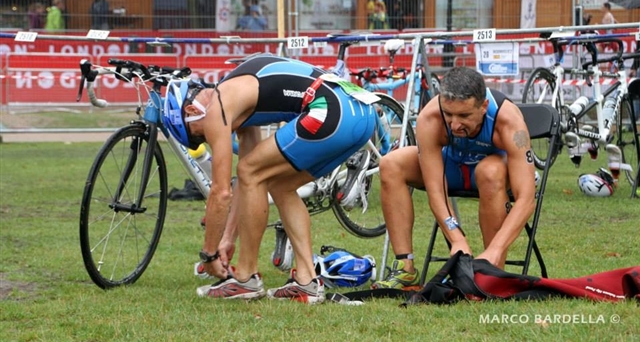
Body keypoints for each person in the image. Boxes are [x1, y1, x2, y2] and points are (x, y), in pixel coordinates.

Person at [162, 54, 377, 303]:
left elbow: (221, 192)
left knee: (250, 170)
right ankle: (306, 282)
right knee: (278, 184)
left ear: (191, 111)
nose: (208, 138)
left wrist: (208, 254)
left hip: (332, 109)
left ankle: (245, 278)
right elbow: (246, 183)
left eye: (198, 136)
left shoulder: (215, 109)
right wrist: (228, 238)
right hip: (359, 112)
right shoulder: (238, 95)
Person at [372, 66, 536, 289]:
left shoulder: (509, 122)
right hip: (451, 168)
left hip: (491, 174)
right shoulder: (430, 117)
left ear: (483, 106)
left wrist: (495, 249)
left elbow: (526, 198)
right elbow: (436, 190)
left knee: (490, 171)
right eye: (448, 114)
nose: (455, 124)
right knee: (391, 163)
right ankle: (405, 269)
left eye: (464, 115)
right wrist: (457, 238)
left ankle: (491, 268)